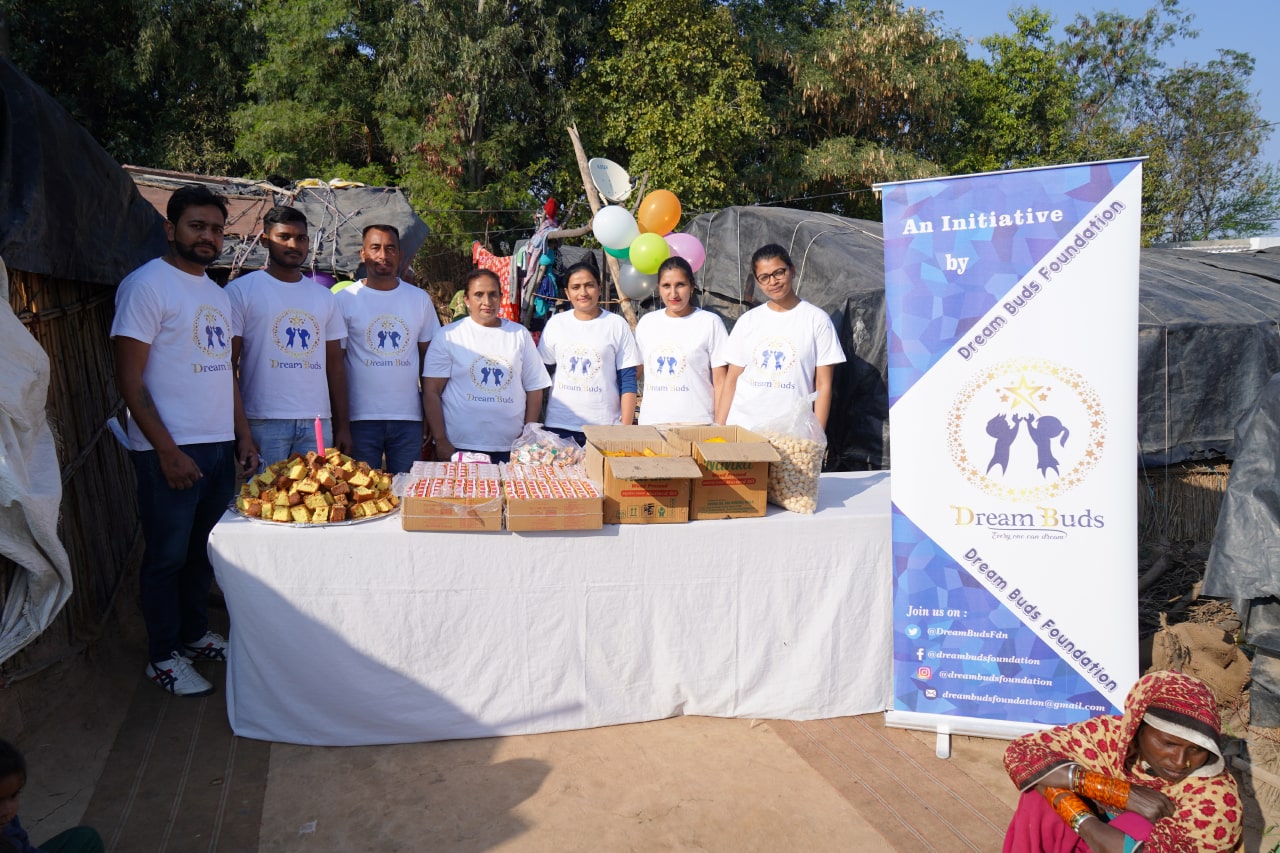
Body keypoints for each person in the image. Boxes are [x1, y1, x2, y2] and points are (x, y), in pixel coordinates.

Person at [112, 185, 257, 697]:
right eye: (197, 226)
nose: (208, 236)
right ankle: (162, 655)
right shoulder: (146, 286)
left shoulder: (217, 295)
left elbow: (225, 373)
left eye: (217, 229)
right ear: (171, 228)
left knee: (202, 552)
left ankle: (194, 635)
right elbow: (130, 380)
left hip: (217, 447)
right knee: (166, 556)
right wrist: (167, 451)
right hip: (167, 451)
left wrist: (241, 435)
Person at [1002, 671, 1243, 852]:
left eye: (1196, 750)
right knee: (1038, 790)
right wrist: (1121, 793)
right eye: (1168, 744)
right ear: (1136, 730)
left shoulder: (1217, 797)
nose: (1181, 762)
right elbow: (1023, 753)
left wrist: (1088, 826)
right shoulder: (1108, 737)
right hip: (1085, 837)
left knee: (1136, 824)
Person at [226, 205, 350, 465]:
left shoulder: (324, 297)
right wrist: (242, 432)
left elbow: (335, 367)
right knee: (265, 501)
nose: (294, 244)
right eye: (284, 237)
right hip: (262, 421)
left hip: (317, 421)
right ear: (264, 240)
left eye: (301, 238)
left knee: (315, 500)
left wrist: (342, 426)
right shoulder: (241, 292)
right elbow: (227, 366)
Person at [336, 224, 440, 473]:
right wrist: (339, 422)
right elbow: (335, 364)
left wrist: (428, 411)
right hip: (359, 419)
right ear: (363, 254)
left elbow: (430, 358)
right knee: (362, 496)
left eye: (390, 248)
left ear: (400, 255)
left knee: (406, 492)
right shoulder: (343, 300)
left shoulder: (419, 299)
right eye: (376, 248)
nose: (383, 255)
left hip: (408, 418)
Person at [423, 269, 551, 463]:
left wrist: (527, 437)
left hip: (511, 447)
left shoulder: (519, 335)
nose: (487, 302)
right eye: (478, 295)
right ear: (466, 299)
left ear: (501, 297)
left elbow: (534, 388)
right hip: (459, 446)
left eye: (493, 294)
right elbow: (431, 391)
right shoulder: (449, 336)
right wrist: (441, 439)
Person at [714, 244, 845, 431]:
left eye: (778, 273)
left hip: (792, 434)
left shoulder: (817, 320)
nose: (773, 282)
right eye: (764, 277)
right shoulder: (748, 321)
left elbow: (823, 385)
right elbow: (732, 379)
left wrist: (817, 438)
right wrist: (719, 427)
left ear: (792, 271)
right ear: (758, 282)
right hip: (743, 429)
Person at [537, 261, 641, 445]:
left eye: (589, 285)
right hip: (560, 425)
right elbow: (539, 376)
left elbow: (628, 379)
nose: (583, 293)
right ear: (567, 293)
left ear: (600, 288)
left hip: (605, 426)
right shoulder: (556, 324)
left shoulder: (616, 324)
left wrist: (625, 427)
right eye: (575, 287)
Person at [635, 256, 728, 425]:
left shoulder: (710, 322)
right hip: (652, 425)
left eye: (680, 285)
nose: (673, 293)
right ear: (658, 288)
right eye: (666, 286)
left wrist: (719, 426)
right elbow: (634, 372)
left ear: (692, 287)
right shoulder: (647, 323)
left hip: (698, 425)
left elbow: (722, 381)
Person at [0, 739, 103, 853]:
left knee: (87, 838)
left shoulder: (9, 823)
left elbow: (26, 848)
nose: (7, 810)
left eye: (13, 796)